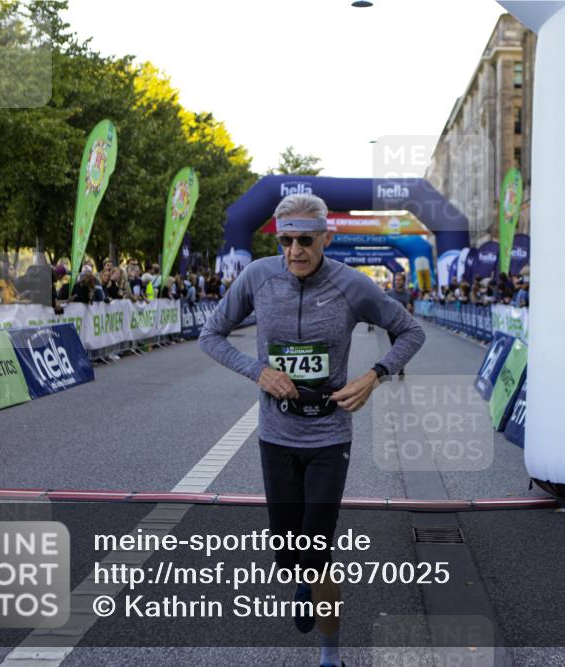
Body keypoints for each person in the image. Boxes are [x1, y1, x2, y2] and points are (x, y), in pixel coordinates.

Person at [199, 193, 424, 667]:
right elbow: (210, 335)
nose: (296, 250)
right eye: (287, 240)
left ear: (327, 237)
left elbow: (411, 332)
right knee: (288, 553)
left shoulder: (351, 285)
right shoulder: (259, 277)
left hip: (328, 437)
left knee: (316, 549)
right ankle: (298, 572)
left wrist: (374, 375)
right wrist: (258, 371)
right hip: (276, 436)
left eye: (306, 240)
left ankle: (330, 656)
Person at [384, 270, 415, 377]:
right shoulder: (389, 294)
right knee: (394, 348)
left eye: (399, 280)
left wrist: (410, 310)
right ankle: (400, 365)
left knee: (400, 347)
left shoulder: (408, 295)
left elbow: (412, 311)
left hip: (403, 327)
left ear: (403, 281)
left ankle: (400, 367)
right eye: (396, 280)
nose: (397, 282)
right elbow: (384, 308)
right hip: (392, 326)